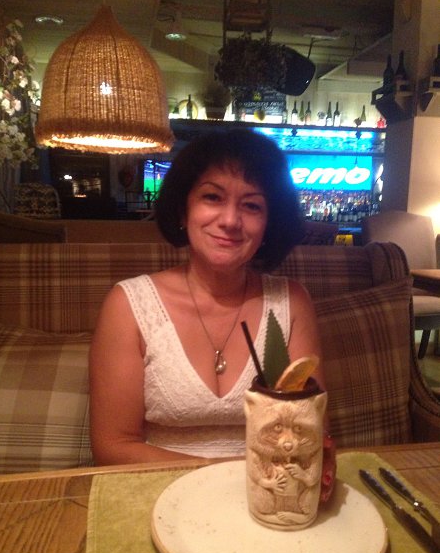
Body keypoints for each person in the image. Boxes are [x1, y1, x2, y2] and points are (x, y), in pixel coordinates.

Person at [89, 128, 325, 466]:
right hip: (157, 486)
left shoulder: (292, 302)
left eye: (252, 205)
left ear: (269, 224)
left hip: (270, 488)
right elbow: (113, 446)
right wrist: (214, 476)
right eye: (212, 197)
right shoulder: (128, 305)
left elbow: (310, 433)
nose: (230, 220)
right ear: (183, 210)